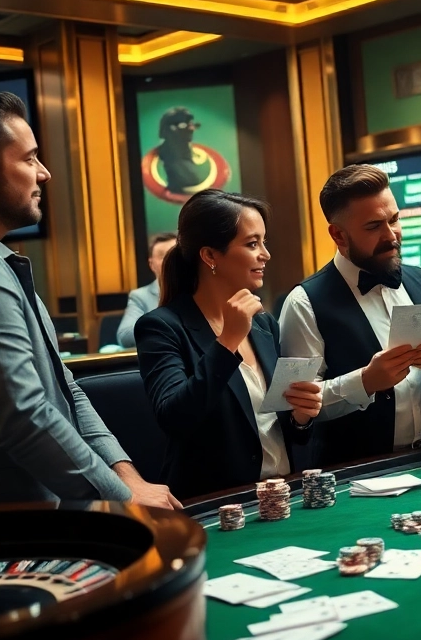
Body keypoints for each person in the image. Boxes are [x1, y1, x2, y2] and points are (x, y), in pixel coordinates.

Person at [0, 92, 177, 508]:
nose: (44, 173)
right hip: (9, 531)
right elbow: (24, 415)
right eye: (29, 158)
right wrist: (124, 499)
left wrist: (125, 476)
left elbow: (64, 389)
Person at [278, 165, 421, 465]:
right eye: (373, 226)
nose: (391, 235)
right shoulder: (303, 303)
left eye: (394, 219)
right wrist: (365, 382)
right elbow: (296, 405)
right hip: (357, 473)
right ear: (338, 235)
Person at [135, 190, 320, 499]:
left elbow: (277, 426)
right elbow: (175, 418)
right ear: (210, 256)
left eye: (264, 242)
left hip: (284, 494)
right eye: (252, 244)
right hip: (217, 502)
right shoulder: (161, 326)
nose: (265, 254)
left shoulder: (263, 323)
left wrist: (301, 418)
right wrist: (227, 342)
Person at [116, 232, 176, 347]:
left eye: (175, 255)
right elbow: (125, 336)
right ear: (151, 264)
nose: (171, 261)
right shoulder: (140, 296)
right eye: (164, 256)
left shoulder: (200, 290)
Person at [155, 107, 205, 198]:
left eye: (191, 124)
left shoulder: (186, 153)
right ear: (169, 130)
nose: (192, 129)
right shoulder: (171, 158)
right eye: (185, 125)